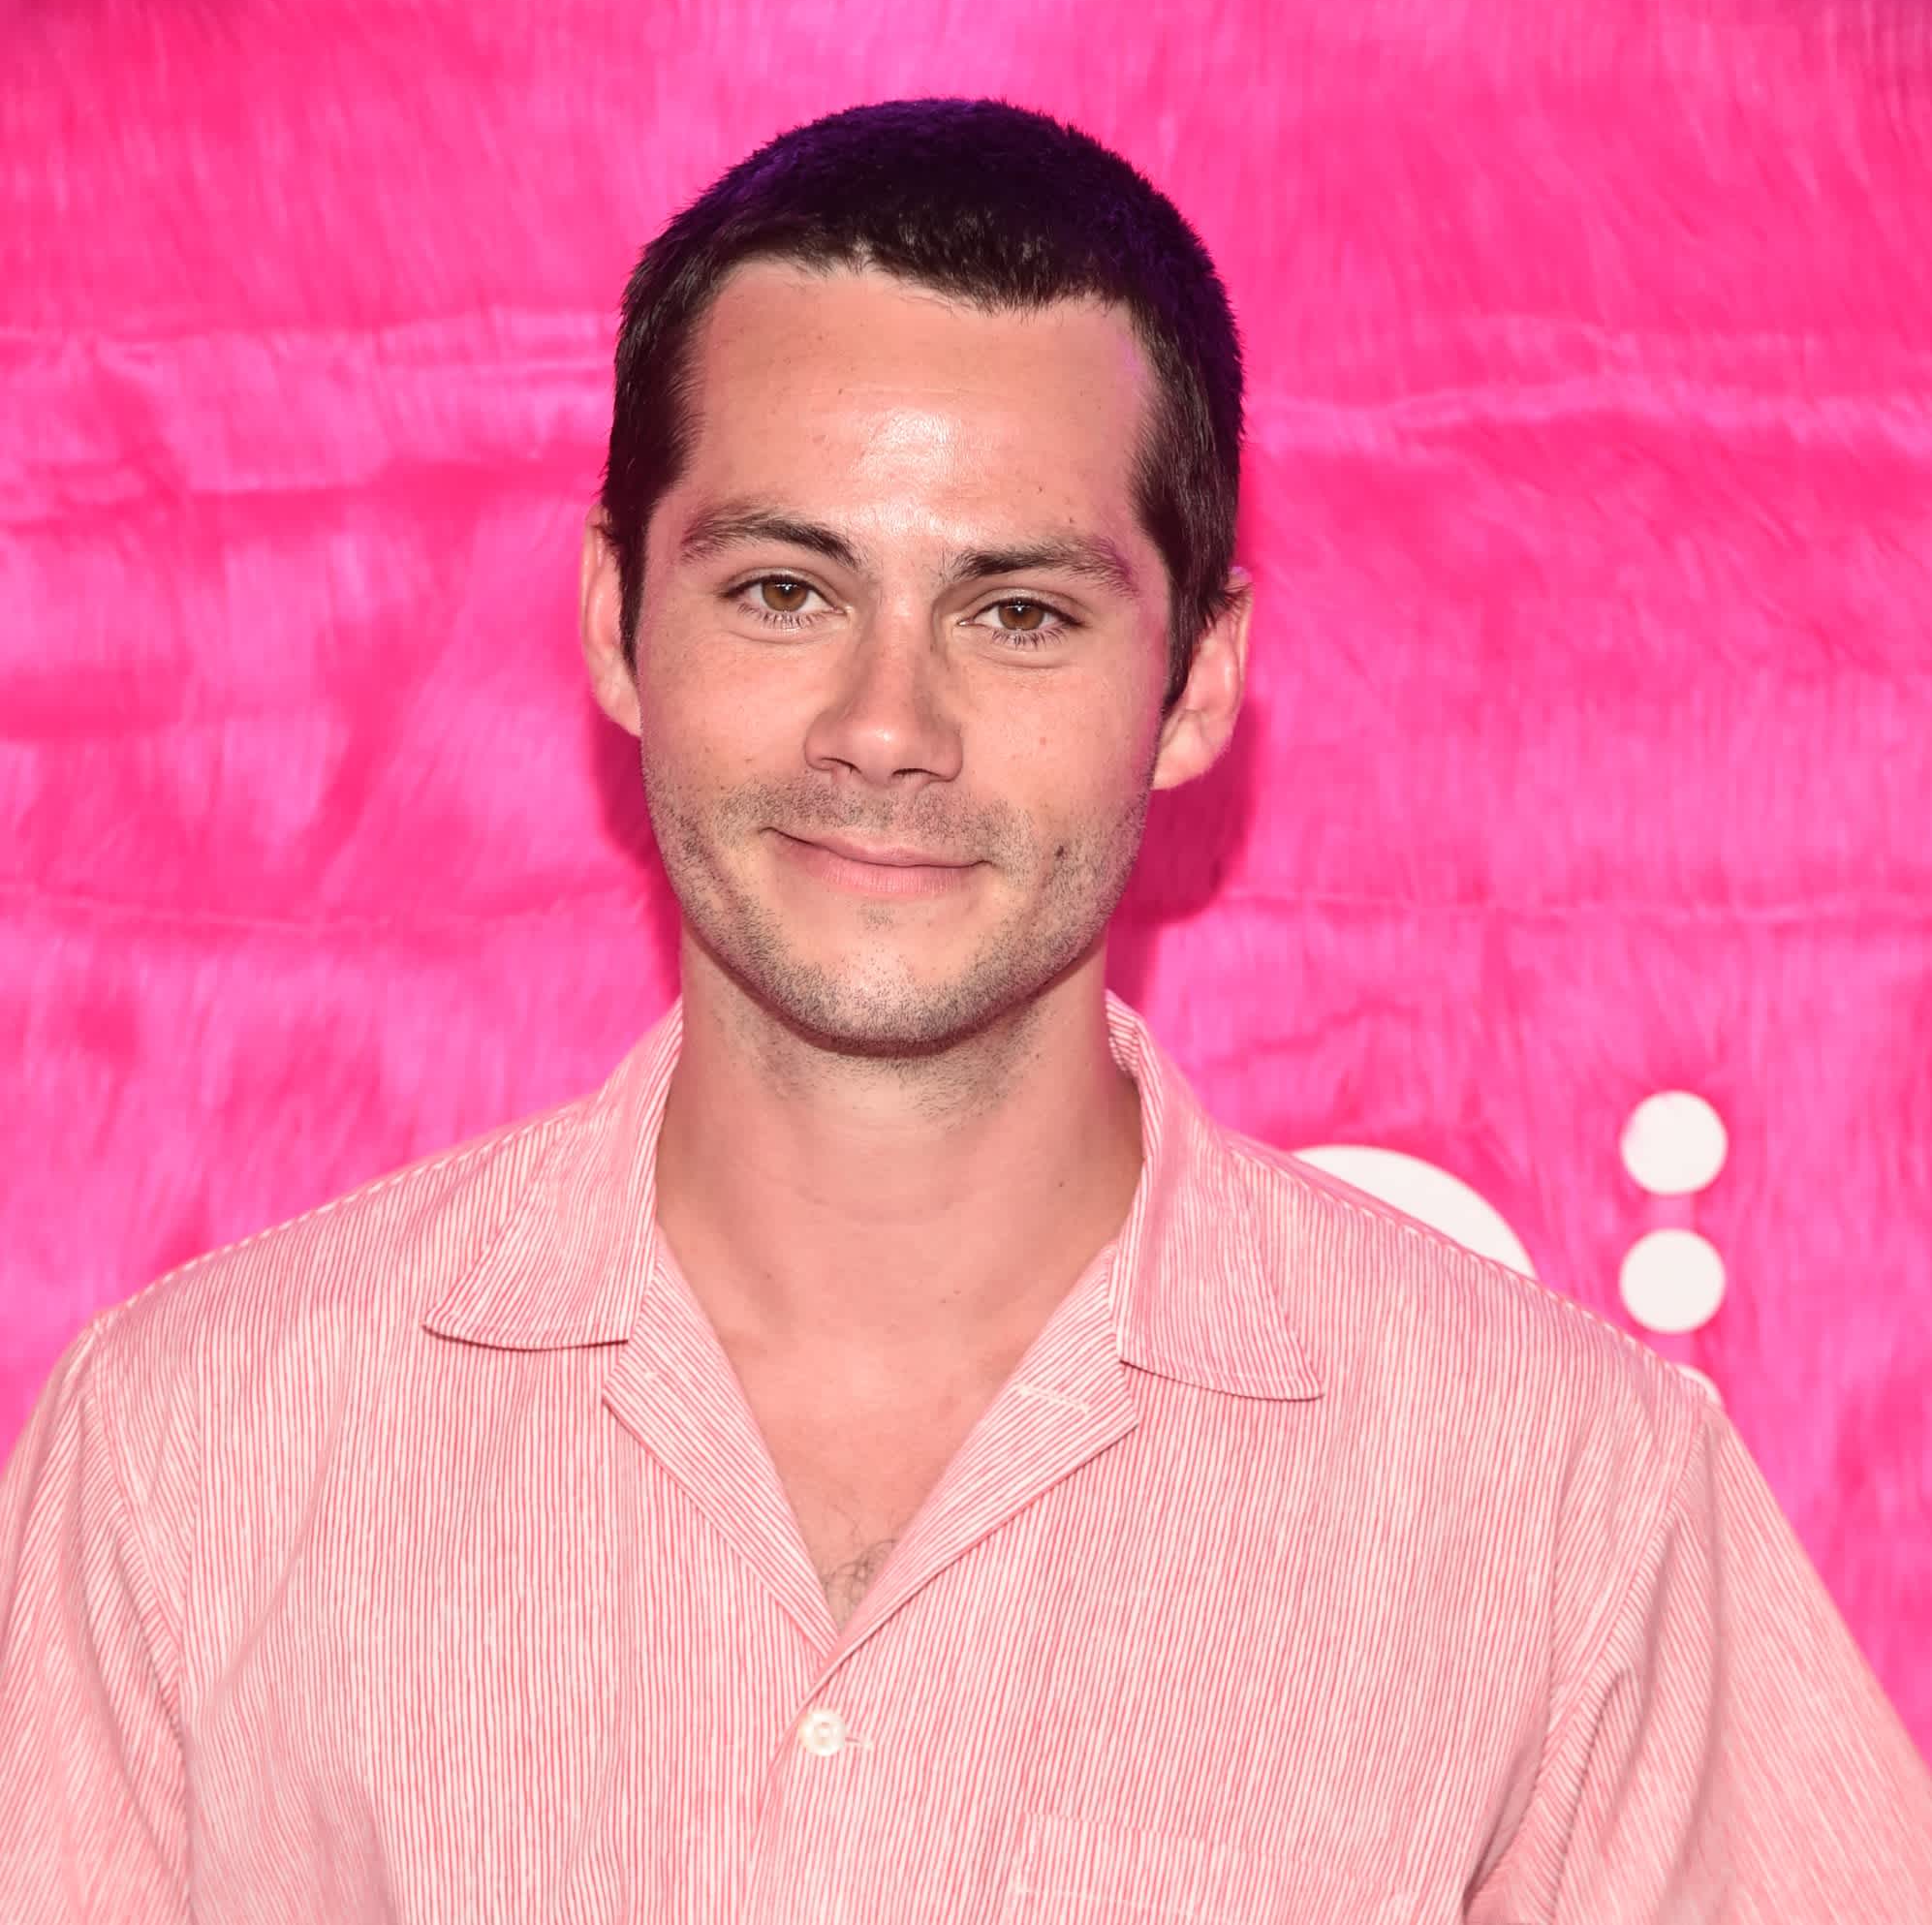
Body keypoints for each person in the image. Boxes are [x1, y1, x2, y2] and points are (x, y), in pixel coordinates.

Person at [3, 96, 1929, 1925]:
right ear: (613, 619)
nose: (885, 728)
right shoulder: (192, 1453)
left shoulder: (1569, 1503)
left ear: (1195, 680)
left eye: (1018, 613)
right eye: (782, 589)